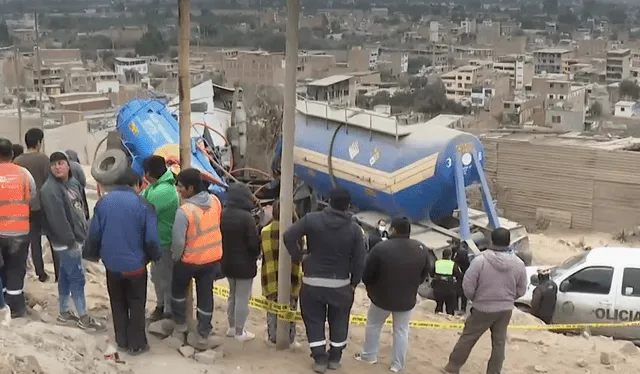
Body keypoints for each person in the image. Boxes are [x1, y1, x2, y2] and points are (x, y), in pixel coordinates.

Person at [284, 188, 366, 373]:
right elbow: (360, 259)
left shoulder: (311, 219)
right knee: (339, 320)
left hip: (312, 282)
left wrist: (299, 257)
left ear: (329, 201)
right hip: (341, 284)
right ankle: (335, 357)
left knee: (313, 321)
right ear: (348, 206)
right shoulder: (354, 229)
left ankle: (320, 358)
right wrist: (354, 283)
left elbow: (288, 237)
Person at [85, 168, 162, 355]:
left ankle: (122, 340)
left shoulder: (103, 202)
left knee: (117, 302)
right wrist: (154, 256)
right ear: (136, 184)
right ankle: (137, 344)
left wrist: (92, 254)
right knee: (136, 303)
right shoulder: (144, 205)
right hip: (136, 266)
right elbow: (151, 238)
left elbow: (94, 232)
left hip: (112, 265)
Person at [442, 228, 527, 374]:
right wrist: (509, 299)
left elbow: (467, 285)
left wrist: (475, 298)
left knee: (468, 338)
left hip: (482, 307)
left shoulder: (480, 261)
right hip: (505, 309)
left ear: (491, 241)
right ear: (508, 243)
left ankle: (453, 367)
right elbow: (522, 289)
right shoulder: (518, 264)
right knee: (499, 343)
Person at [355, 216, 431, 373]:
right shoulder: (421, 248)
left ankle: (369, 356)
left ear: (394, 230)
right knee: (401, 330)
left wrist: (371, 288)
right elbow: (424, 274)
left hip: (381, 297)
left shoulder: (381, 248)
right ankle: (397, 365)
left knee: (374, 325)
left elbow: (367, 273)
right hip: (406, 298)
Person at [40, 151, 105, 331]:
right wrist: (72, 241)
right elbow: (58, 220)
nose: (57, 167)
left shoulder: (73, 183)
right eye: (54, 164)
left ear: (68, 165)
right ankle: (83, 317)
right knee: (77, 278)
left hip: (76, 238)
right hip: (67, 242)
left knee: (66, 276)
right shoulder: (50, 190)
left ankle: (64, 312)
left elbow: (81, 209)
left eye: (61, 163)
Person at [171, 168, 224, 349]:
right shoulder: (216, 202)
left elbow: (178, 242)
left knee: (177, 291)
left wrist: (176, 258)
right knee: (206, 295)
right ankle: (203, 333)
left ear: (191, 188)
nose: (178, 189)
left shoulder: (184, 211)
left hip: (190, 260)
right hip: (211, 259)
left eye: (180, 187)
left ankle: (180, 326)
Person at [0, 138, 36, 319]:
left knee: (2, 269)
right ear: (12, 154)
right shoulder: (24, 174)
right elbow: (32, 197)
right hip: (20, 231)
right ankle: (16, 307)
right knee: (16, 268)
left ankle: (3, 304)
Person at [141, 155, 180, 322]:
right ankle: (161, 305)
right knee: (157, 276)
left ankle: (168, 311)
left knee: (165, 278)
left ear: (149, 173)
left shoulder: (164, 191)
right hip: (156, 241)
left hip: (165, 241)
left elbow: (143, 210)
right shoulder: (155, 187)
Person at [220, 182, 260, 342]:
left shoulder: (222, 214)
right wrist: (256, 254)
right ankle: (239, 331)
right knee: (242, 297)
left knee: (232, 295)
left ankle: (231, 327)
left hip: (226, 262)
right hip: (245, 264)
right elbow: (253, 244)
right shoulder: (247, 218)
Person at [260, 200, 303, 348]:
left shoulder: (265, 231)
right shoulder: (298, 234)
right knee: (290, 309)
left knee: (272, 309)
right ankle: (290, 338)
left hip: (271, 275)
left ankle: (272, 337)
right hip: (292, 276)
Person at [14, 128, 52, 282]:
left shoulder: (17, 161)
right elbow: (50, 182)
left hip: (26, 206)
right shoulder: (44, 159)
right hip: (43, 204)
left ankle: (39, 271)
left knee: (33, 241)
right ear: (39, 142)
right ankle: (56, 271)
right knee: (52, 238)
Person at [432, 248, 463, 316]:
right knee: (450, 308)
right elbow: (459, 276)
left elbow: (431, 273)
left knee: (438, 307)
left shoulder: (437, 263)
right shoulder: (453, 264)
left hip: (438, 287)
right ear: (450, 255)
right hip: (449, 288)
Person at [452, 247, 470, 314]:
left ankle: (455, 308)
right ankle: (463, 309)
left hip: (456, 280)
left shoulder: (455, 262)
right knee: (464, 295)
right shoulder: (468, 263)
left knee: (455, 293)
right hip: (465, 280)